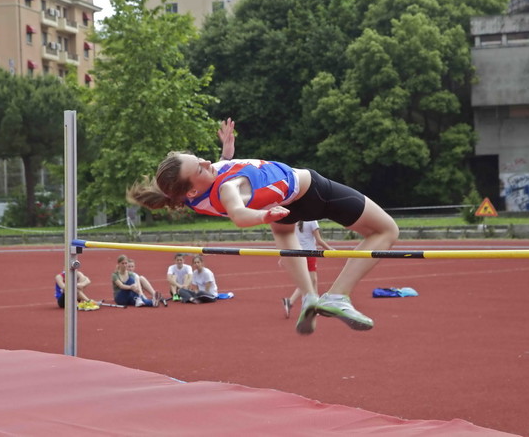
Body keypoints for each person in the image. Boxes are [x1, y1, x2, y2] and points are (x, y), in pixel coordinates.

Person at [127, 118, 400, 335]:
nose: (206, 163)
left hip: (285, 207)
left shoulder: (192, 196)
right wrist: (263, 216)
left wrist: (227, 151)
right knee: (386, 230)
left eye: (199, 158)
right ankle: (338, 295)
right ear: (189, 190)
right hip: (312, 191)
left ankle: (309, 297)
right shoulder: (227, 188)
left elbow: (221, 169)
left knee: (284, 230)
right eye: (199, 168)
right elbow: (238, 214)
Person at [281, 220, 334, 318]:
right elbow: (319, 240)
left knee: (313, 280)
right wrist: (330, 250)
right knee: (309, 281)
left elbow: (290, 239)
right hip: (309, 253)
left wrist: (284, 256)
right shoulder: (312, 221)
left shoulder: (295, 221)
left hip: (298, 253)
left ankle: (314, 305)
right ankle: (291, 301)